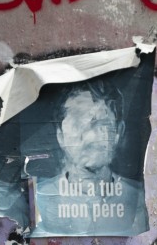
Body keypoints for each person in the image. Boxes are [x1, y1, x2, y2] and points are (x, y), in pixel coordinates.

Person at [30, 84, 147, 236]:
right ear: (60, 136)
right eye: (79, 122)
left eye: (103, 122)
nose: (91, 134)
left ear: (119, 132)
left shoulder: (137, 198)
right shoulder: (40, 198)